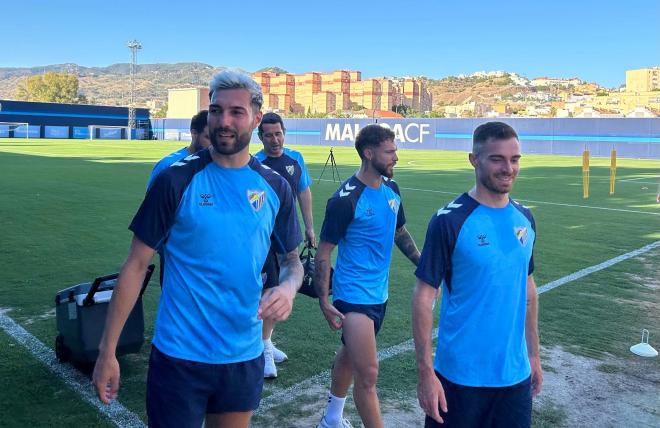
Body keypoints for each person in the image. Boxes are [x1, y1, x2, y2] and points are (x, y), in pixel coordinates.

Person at [92, 70, 304, 428]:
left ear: (255, 117)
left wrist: (288, 287)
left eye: (236, 112)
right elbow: (135, 264)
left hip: (243, 353)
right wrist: (107, 351)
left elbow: (293, 262)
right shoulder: (174, 180)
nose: (223, 121)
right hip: (180, 355)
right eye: (216, 110)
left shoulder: (275, 188)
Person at [412, 121, 542, 428]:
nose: (508, 168)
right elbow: (423, 297)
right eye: (497, 159)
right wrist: (425, 373)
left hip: (514, 377)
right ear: (474, 160)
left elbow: (528, 288)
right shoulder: (450, 220)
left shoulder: (525, 217)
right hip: (459, 378)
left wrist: (533, 355)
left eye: (515, 159)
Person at [314, 124, 421, 428]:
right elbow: (323, 252)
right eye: (390, 152)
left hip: (380, 294)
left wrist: (421, 263)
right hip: (353, 295)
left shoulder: (392, 191)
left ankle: (331, 419)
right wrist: (324, 299)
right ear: (369, 153)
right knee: (369, 373)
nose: (396, 157)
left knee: (350, 355)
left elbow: (399, 232)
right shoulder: (345, 200)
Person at [255, 111, 315, 378]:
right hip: (263, 239)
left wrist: (310, 227)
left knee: (279, 288)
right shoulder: (255, 163)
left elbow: (303, 191)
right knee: (267, 290)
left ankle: (265, 342)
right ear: (260, 137)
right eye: (268, 135)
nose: (274, 140)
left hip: (288, 236)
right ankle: (263, 349)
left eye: (278, 134)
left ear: (284, 133)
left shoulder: (295, 159)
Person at [146, 110, 211, 286]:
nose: (212, 144)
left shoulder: (217, 164)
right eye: (207, 137)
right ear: (193, 133)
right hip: (176, 254)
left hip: (209, 253)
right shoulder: (168, 166)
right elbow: (153, 213)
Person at [146, 109, 211, 189]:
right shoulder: (167, 165)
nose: (214, 143)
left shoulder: (220, 165)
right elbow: (153, 200)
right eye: (209, 138)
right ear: (194, 133)